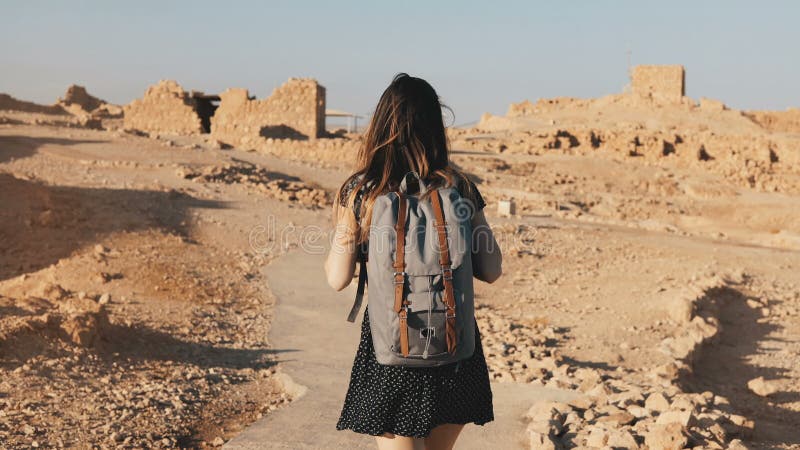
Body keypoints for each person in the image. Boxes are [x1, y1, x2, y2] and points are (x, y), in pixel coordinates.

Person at [324, 73, 502, 450]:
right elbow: (491, 269)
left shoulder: (361, 192)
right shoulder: (462, 188)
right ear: (436, 127)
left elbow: (337, 278)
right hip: (454, 347)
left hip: (392, 350)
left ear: (381, 125)